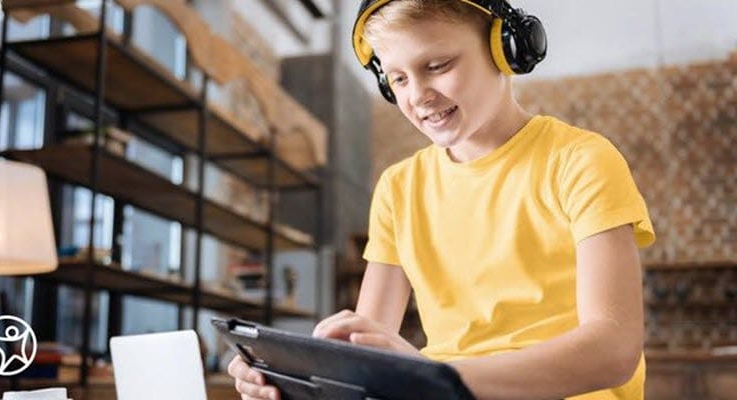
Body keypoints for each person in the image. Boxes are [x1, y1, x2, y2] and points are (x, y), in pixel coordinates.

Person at [227, 1, 655, 399]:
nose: (416, 95)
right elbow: (366, 350)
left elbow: (613, 349)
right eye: (397, 78)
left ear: (503, 48)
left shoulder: (580, 161)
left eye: (437, 65)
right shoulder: (399, 189)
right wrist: (295, 380)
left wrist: (437, 377)